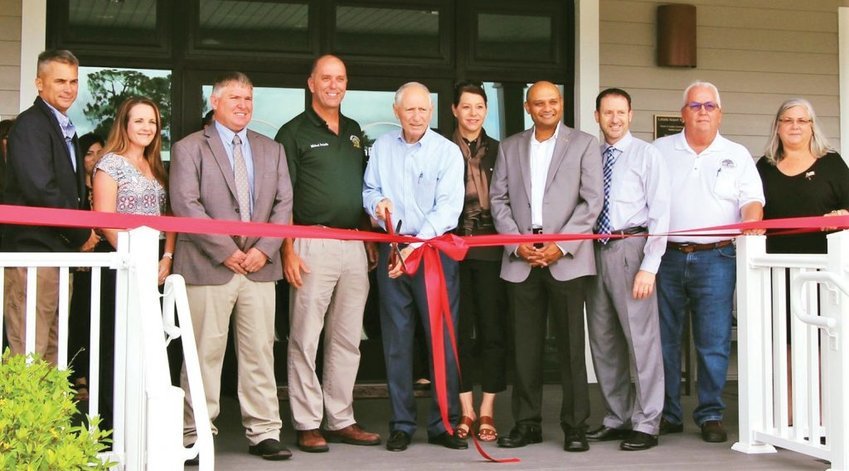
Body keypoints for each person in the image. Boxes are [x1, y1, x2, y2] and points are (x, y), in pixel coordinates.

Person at [170, 71, 294, 461]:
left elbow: (284, 205)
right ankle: (196, 433)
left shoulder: (271, 149)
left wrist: (265, 250)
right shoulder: (190, 148)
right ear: (215, 102)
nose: (243, 105)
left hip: (258, 267)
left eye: (248, 99)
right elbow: (186, 204)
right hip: (210, 266)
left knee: (259, 351)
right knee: (204, 353)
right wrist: (225, 250)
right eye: (235, 98)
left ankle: (264, 431)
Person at [275, 54, 380, 453]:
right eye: (326, 78)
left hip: (353, 243)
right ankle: (306, 421)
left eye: (340, 79)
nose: (333, 85)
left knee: (348, 337)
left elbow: (364, 188)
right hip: (310, 242)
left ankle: (341, 417)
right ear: (311, 84)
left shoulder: (354, 131)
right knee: (305, 336)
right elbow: (282, 197)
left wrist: (369, 239)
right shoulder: (294, 132)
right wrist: (287, 248)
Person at [490, 81, 603, 452]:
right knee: (525, 348)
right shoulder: (510, 146)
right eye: (539, 103)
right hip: (521, 258)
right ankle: (526, 424)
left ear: (562, 103)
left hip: (566, 259)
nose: (546, 108)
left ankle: (574, 426)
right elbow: (499, 200)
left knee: (571, 347)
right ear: (528, 107)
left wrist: (560, 245)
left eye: (552, 102)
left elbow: (592, 202)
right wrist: (518, 244)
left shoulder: (584, 144)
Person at [653, 81, 764, 443]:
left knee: (713, 340)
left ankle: (710, 413)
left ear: (720, 113)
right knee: (664, 340)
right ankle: (667, 413)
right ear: (683, 112)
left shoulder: (738, 153)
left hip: (716, 257)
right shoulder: (659, 151)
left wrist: (750, 223)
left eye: (709, 106)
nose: (702, 111)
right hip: (667, 256)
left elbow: (751, 201)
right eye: (695, 105)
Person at [362, 81, 466, 452]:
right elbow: (369, 189)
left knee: (440, 341)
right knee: (396, 342)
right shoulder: (381, 148)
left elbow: (449, 210)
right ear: (397, 113)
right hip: (393, 254)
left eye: (423, 109)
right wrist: (378, 206)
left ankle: (444, 423)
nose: (417, 116)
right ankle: (402, 423)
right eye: (410, 110)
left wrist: (415, 249)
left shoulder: (447, 152)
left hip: (433, 255)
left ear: (431, 112)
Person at [585, 88, 670, 451]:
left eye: (621, 112)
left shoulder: (647, 155)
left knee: (641, 341)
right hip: (593, 251)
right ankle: (616, 417)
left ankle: (647, 421)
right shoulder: (591, 155)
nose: (615, 119)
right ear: (597, 116)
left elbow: (661, 213)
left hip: (631, 248)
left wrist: (649, 266)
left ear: (631, 115)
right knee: (603, 341)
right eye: (608, 113)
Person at [2, 49, 99, 364]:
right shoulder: (31, 125)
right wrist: (82, 232)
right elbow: (41, 189)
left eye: (73, 81)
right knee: (28, 354)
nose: (68, 88)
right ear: (39, 83)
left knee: (52, 355)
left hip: (56, 256)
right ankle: (22, 417)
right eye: (60, 81)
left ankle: (51, 417)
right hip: (33, 257)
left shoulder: (61, 125)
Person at [91, 97, 175, 431]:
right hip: (121, 261)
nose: (146, 128)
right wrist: (132, 258)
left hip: (155, 262)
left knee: (149, 344)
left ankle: (143, 424)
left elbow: (169, 219)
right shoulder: (109, 164)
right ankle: (112, 426)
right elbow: (104, 219)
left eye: (152, 122)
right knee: (117, 344)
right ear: (124, 124)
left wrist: (166, 257)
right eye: (139, 121)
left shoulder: (156, 167)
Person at [449, 80, 507, 442]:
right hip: (452, 249)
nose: (473, 113)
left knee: (492, 331)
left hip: (491, 250)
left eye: (479, 107)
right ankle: (465, 410)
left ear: (487, 111)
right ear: (454, 109)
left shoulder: (502, 151)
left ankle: (487, 409)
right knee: (458, 333)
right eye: (466, 106)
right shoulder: (439, 148)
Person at [757, 98, 849, 254]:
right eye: (787, 120)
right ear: (778, 127)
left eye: (802, 121)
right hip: (775, 266)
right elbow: (752, 209)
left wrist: (841, 215)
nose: (795, 126)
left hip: (825, 265)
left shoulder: (831, 162)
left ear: (812, 126)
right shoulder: (764, 166)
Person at [67, 131, 105, 400]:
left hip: (106, 260)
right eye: (89, 153)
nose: (94, 159)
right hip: (79, 264)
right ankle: (78, 375)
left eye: (99, 153)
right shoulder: (75, 188)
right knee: (79, 320)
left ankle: (98, 375)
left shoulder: (110, 183)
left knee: (102, 321)